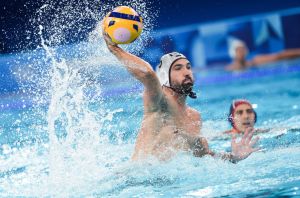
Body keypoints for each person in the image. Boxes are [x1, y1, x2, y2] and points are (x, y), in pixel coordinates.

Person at [102, 30, 259, 163]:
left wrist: (234, 157)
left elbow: (203, 155)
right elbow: (148, 75)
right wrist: (115, 50)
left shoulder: (194, 116)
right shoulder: (160, 100)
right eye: (178, 68)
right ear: (164, 77)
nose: (187, 72)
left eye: (189, 67)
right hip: (140, 178)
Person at [226, 39, 300, 71]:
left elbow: (278, 56)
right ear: (232, 52)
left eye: (243, 49)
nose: (241, 52)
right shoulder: (230, 69)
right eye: (238, 50)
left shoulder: (255, 61)